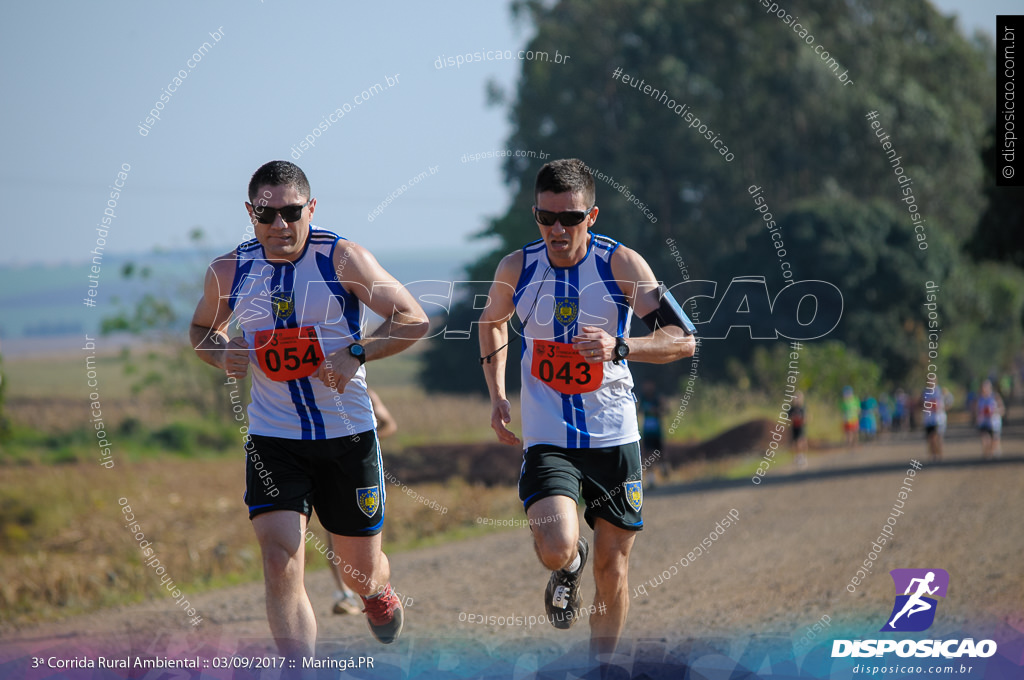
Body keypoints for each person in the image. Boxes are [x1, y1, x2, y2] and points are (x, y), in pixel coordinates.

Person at [189, 160, 429, 656]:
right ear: (250, 213)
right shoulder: (229, 271)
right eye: (267, 213)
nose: (280, 225)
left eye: (292, 212)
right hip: (275, 439)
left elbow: (413, 318)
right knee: (280, 560)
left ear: (311, 208)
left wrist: (357, 351)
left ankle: (377, 593)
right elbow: (201, 330)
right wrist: (220, 352)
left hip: (347, 435)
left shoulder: (343, 259)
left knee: (358, 570)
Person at [477, 159, 697, 658]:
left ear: (591, 216)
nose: (558, 229)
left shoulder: (621, 265)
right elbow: (491, 322)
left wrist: (621, 347)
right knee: (556, 544)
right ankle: (568, 562)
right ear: (535, 214)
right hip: (549, 436)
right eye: (546, 217)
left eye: (570, 218)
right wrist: (497, 394)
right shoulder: (517, 268)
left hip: (614, 435)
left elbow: (683, 339)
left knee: (613, 569)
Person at [329, 388, 397, 615]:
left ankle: (373, 588)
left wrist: (363, 440)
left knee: (365, 535)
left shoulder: (366, 393)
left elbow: (389, 424)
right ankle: (345, 595)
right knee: (332, 535)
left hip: (360, 468)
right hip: (324, 466)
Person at [637, 381, 667, 485]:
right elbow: (639, 411)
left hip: (657, 431)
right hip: (647, 431)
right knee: (648, 454)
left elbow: (665, 410)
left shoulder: (657, 398)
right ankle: (651, 479)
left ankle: (663, 468)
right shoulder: (643, 399)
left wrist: (657, 410)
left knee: (660, 453)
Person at [974, 379, 1005, 460]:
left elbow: (1002, 409)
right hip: (984, 422)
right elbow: (976, 410)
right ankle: (986, 455)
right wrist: (977, 417)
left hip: (994, 423)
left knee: (994, 441)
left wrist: (995, 411)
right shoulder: (979, 398)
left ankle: (992, 454)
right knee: (985, 438)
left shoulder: (995, 397)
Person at [921, 383, 950, 461]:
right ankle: (933, 454)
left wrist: (943, 408)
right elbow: (921, 403)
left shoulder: (941, 390)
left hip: (939, 419)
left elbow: (949, 400)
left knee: (937, 438)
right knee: (930, 439)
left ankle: (939, 454)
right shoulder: (924, 392)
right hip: (928, 419)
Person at [791, 391, 808, 468]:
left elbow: (807, 418)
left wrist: (803, 420)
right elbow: (789, 418)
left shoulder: (803, 408)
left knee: (801, 442)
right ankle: (798, 456)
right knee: (795, 443)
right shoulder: (792, 409)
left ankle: (802, 456)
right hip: (794, 427)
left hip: (801, 427)